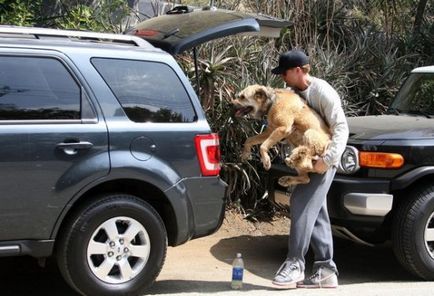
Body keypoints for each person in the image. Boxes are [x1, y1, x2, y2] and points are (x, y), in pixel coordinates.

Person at [270, 49, 349, 289]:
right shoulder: (293, 94)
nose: (282, 77)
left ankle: (295, 264)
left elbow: (341, 127)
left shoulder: (322, 91)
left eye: (284, 72)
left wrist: (327, 159)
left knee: (301, 203)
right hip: (308, 157)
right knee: (316, 213)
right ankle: (326, 270)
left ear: (297, 70)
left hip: (324, 158)